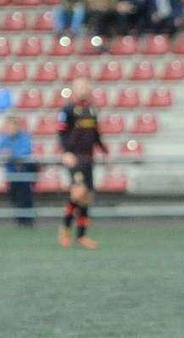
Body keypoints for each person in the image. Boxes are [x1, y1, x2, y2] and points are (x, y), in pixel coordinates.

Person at [57, 77, 109, 250]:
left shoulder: (92, 110)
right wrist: (66, 152)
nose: (82, 89)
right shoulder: (67, 109)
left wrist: (105, 151)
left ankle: (81, 235)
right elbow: (61, 133)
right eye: (78, 86)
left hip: (88, 158)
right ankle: (65, 228)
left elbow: (96, 134)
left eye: (84, 86)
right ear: (73, 89)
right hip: (75, 157)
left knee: (86, 198)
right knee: (78, 193)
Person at [0, 115, 35, 227]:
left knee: (25, 194)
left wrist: (12, 155)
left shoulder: (24, 137)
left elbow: (26, 151)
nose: (12, 128)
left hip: (24, 172)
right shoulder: (3, 138)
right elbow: (0, 152)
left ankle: (28, 220)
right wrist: (13, 157)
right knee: (14, 196)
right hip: (11, 172)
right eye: (10, 126)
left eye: (14, 125)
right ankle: (19, 219)